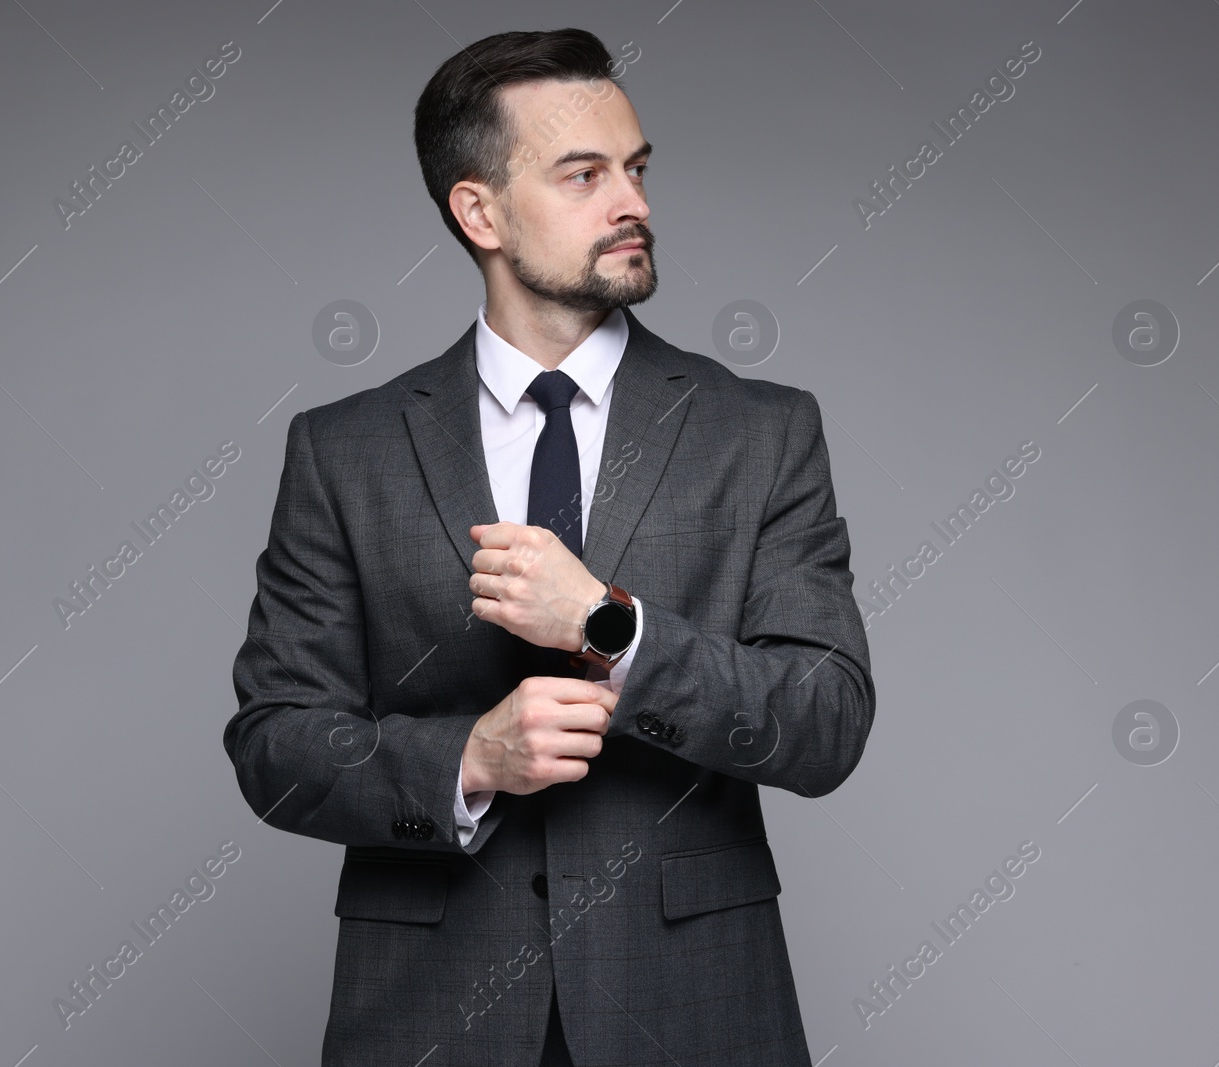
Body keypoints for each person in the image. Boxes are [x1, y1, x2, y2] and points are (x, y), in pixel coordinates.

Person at [224, 27, 876, 1066]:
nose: (634, 204)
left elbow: (826, 721)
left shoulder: (759, 428)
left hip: (695, 1008)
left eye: (637, 169)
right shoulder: (343, 450)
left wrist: (613, 630)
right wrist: (470, 759)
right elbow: (276, 743)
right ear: (477, 210)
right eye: (585, 176)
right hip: (429, 1012)